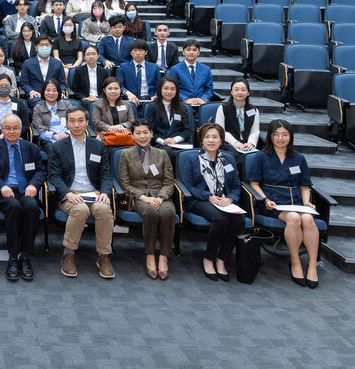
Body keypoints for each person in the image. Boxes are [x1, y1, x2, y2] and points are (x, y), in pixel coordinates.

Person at [247, 119, 320, 288]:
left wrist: (307, 202)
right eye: (276, 135)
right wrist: (265, 200)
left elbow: (304, 186)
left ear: (290, 136)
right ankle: (295, 262)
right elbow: (254, 184)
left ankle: (312, 265)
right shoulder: (261, 156)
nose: (280, 138)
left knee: (308, 219)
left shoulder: (299, 158)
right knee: (294, 218)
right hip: (272, 201)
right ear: (270, 137)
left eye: (285, 134)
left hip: (295, 200)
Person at [47, 107, 115, 279]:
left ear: (87, 122)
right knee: (81, 210)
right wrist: (67, 193)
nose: (76, 125)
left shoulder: (98, 146)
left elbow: (106, 174)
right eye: (72, 121)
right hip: (70, 193)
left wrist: (105, 192)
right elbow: (54, 176)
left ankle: (104, 256)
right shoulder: (58, 147)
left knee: (104, 209)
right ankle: (68, 254)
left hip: (94, 192)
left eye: (80, 121)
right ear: (67, 123)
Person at [0, 114, 45, 282]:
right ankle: (12, 257)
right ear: (1, 129)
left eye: (16, 128)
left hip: (25, 191)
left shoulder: (31, 148)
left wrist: (33, 185)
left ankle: (25, 256)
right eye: (7, 128)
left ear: (21, 129)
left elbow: (40, 171)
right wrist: (1, 186)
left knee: (32, 207)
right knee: (14, 207)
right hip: (2, 193)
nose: (12, 131)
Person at [179, 123, 245, 281]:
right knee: (220, 219)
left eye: (215, 137)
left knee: (238, 220)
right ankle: (209, 258)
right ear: (201, 140)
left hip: (224, 200)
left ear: (221, 140)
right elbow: (187, 186)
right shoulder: (191, 158)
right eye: (207, 137)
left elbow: (236, 185)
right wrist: (208, 196)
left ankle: (222, 259)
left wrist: (230, 198)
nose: (211, 140)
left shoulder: (228, 158)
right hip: (199, 200)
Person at [119, 120, 176, 280]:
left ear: (151, 133)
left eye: (145, 132)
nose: (142, 136)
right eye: (138, 133)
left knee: (168, 214)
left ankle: (164, 257)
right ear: (132, 135)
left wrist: (160, 197)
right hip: (137, 196)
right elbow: (125, 183)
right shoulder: (125, 154)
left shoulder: (163, 154)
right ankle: (150, 255)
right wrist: (144, 198)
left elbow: (169, 181)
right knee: (150, 213)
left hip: (161, 195)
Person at [146, 77, 192, 160]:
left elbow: (187, 131)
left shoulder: (182, 108)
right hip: (159, 144)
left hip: (179, 144)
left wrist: (174, 140)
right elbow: (149, 131)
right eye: (166, 88)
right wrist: (163, 141)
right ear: (160, 89)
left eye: (172, 89)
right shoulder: (152, 107)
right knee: (171, 153)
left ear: (176, 91)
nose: (169, 92)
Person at [215, 78, 260, 154]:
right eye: (236, 90)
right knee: (236, 154)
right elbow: (220, 130)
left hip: (247, 143)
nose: (240, 92)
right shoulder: (223, 108)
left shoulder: (254, 110)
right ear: (231, 92)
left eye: (243, 90)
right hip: (228, 143)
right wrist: (235, 142)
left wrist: (251, 143)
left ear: (248, 93)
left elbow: (255, 131)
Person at [117, 39, 160, 113]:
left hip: (150, 100)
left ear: (146, 52)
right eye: (135, 50)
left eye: (140, 50)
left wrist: (156, 95)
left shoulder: (154, 67)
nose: (137, 53)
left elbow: (159, 85)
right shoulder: (123, 67)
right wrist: (127, 93)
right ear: (130, 52)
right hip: (130, 100)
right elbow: (119, 85)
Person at [20, 36, 65, 107]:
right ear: (36, 48)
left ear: (51, 47)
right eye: (41, 45)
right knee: (38, 104)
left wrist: (61, 92)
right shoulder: (27, 63)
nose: (44, 47)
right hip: (36, 95)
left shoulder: (58, 63)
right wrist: (31, 91)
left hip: (53, 94)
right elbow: (24, 83)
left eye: (47, 45)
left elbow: (62, 83)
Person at [168, 39, 214, 105]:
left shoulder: (206, 69)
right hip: (182, 104)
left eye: (194, 50)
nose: (191, 52)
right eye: (188, 50)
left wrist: (204, 99)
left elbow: (209, 90)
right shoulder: (175, 69)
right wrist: (185, 99)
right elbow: (172, 89)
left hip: (201, 105)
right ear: (183, 52)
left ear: (199, 52)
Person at [32, 79, 72, 151]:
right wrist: (54, 136)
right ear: (43, 92)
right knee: (54, 149)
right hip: (48, 139)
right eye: (48, 90)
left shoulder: (67, 105)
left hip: (67, 136)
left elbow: (73, 122)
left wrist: (67, 134)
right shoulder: (38, 108)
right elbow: (39, 128)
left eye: (54, 90)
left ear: (58, 92)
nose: (51, 93)